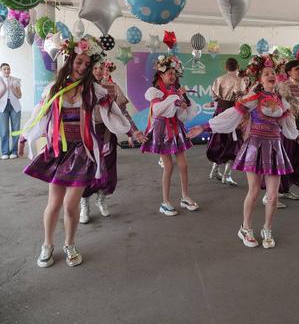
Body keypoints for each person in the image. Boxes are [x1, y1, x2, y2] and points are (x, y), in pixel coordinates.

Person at [18, 37, 132, 267]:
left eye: (87, 64)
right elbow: (39, 114)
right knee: (54, 203)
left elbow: (114, 111)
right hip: (58, 149)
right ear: (70, 60)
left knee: (71, 205)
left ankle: (69, 244)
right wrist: (24, 136)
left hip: (82, 152)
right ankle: (47, 244)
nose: (82, 67)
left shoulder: (93, 90)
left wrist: (128, 129)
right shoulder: (54, 88)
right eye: (79, 62)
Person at [189, 54, 298, 249]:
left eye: (273, 73)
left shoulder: (281, 100)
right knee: (254, 191)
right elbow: (231, 115)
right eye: (266, 73)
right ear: (260, 79)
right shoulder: (254, 97)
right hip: (255, 146)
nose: (271, 75)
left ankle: (267, 228)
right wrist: (205, 127)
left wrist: (295, 135)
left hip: (274, 146)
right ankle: (245, 228)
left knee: (273, 196)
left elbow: (287, 123)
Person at [79, 60, 146, 224]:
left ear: (106, 69)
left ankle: (101, 199)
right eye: (94, 67)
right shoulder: (79, 87)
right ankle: (84, 204)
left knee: (107, 169)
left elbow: (122, 113)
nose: (98, 71)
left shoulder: (112, 88)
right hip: (86, 134)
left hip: (107, 134)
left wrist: (133, 131)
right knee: (86, 169)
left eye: (101, 67)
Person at [141, 54, 199, 216]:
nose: (172, 76)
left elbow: (182, 115)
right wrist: (175, 98)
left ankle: (185, 197)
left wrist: (183, 101)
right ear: (161, 74)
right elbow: (158, 110)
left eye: (174, 73)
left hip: (176, 128)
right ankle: (165, 202)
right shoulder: (155, 92)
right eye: (169, 73)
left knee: (183, 165)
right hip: (161, 130)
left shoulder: (177, 91)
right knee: (168, 166)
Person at [274, 59, 299, 201]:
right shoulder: (283, 86)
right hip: (285, 128)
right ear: (289, 72)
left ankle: (285, 189)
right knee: (284, 159)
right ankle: (270, 195)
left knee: (298, 159)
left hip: (296, 126)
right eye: (297, 69)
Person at [206, 57, 243, 185]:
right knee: (233, 143)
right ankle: (226, 175)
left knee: (219, 140)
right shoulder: (239, 81)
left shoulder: (219, 79)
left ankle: (215, 170)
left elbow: (214, 97)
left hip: (220, 111)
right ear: (237, 66)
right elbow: (241, 98)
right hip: (233, 112)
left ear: (225, 67)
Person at [0, 63, 22, 159]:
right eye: (4, 69)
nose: (7, 71)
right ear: (1, 70)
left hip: (15, 107)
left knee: (15, 130)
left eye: (8, 69)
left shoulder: (15, 80)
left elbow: (19, 95)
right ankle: (5, 152)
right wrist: (4, 89)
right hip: (2, 107)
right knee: (4, 130)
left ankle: (14, 151)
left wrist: (13, 88)